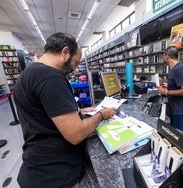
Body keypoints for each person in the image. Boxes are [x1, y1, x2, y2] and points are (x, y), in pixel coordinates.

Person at [14, 32, 116, 188]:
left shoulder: (28, 73)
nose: (74, 69)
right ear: (65, 52)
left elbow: (43, 114)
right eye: (76, 62)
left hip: (39, 168)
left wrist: (79, 112)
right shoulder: (50, 77)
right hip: (56, 175)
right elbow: (76, 134)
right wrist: (102, 114)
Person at [157, 46, 183, 133]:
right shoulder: (177, 68)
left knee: (179, 135)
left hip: (180, 110)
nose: (164, 59)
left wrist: (165, 92)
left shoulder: (179, 69)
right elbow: (177, 83)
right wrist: (163, 81)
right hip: (177, 108)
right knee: (174, 133)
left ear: (167, 56)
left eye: (164, 57)